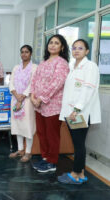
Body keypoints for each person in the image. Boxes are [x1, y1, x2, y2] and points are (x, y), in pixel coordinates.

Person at [58, 39, 101, 184]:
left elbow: (88, 89)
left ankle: (75, 173)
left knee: (78, 144)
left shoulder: (90, 66)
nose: (76, 50)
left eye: (80, 48)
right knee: (79, 143)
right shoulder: (73, 67)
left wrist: (76, 109)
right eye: (74, 48)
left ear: (87, 51)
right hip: (72, 112)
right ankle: (81, 173)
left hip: (80, 113)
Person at [30, 34, 69, 173]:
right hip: (39, 106)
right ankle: (45, 158)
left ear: (62, 47)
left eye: (56, 43)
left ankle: (52, 162)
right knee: (42, 133)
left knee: (52, 135)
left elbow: (56, 83)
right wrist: (33, 96)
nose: (52, 45)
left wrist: (40, 98)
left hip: (53, 105)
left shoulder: (61, 63)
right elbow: (34, 80)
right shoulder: (43, 62)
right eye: (51, 42)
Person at [9, 45, 37, 162]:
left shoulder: (35, 67)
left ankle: (28, 151)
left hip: (27, 101)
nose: (24, 54)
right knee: (18, 125)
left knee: (27, 126)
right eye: (22, 52)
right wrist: (16, 95)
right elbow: (11, 82)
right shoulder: (16, 68)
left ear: (30, 54)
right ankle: (20, 149)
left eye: (27, 52)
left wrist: (23, 96)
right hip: (15, 99)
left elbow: (33, 83)